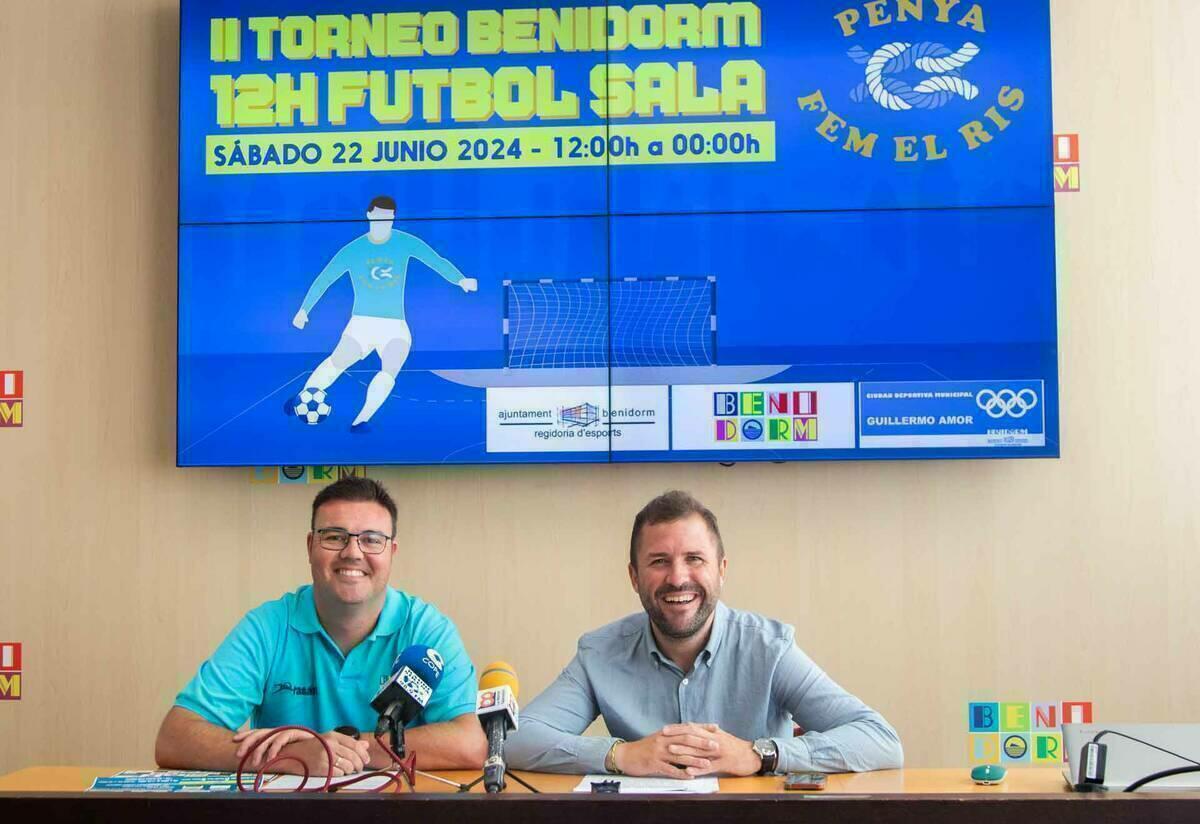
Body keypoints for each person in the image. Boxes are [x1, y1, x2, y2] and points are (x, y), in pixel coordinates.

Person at [506, 490, 903, 777]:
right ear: (634, 576)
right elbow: (512, 741)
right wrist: (621, 756)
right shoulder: (599, 654)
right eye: (659, 561)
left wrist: (759, 754)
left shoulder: (770, 648)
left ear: (721, 570)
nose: (678, 578)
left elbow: (881, 740)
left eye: (694, 559)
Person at [155, 477, 486, 775]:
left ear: (392, 552)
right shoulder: (268, 627)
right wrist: (294, 756)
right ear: (310, 545)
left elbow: (469, 743)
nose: (352, 552)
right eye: (334, 537)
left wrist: (341, 749)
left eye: (371, 540)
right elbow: (175, 737)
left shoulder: (426, 630)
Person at [291, 195, 478, 428]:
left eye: (388, 218)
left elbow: (435, 260)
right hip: (361, 324)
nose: (384, 222)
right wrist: (304, 310)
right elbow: (325, 279)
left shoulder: (405, 242)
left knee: (390, 369)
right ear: (369, 215)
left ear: (393, 219)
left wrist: (460, 280)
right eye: (379, 217)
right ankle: (303, 396)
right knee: (337, 362)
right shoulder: (353, 250)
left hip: (394, 326)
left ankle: (362, 420)